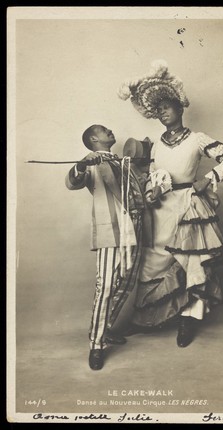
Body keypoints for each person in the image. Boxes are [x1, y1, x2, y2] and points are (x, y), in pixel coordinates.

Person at [118, 60, 223, 347]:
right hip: (160, 210)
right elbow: (151, 175)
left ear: (180, 108)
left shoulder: (197, 139)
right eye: (158, 110)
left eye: (167, 107)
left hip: (189, 206)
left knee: (191, 260)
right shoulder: (155, 145)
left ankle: (188, 320)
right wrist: (151, 190)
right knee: (153, 261)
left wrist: (209, 178)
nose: (162, 113)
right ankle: (147, 319)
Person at [65, 125, 153, 370]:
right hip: (112, 230)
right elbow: (73, 182)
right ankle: (96, 344)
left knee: (125, 282)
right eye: (104, 130)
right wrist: (82, 164)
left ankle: (105, 329)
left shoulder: (125, 162)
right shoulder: (92, 163)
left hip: (135, 229)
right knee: (105, 285)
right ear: (94, 139)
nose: (111, 130)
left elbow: (138, 191)